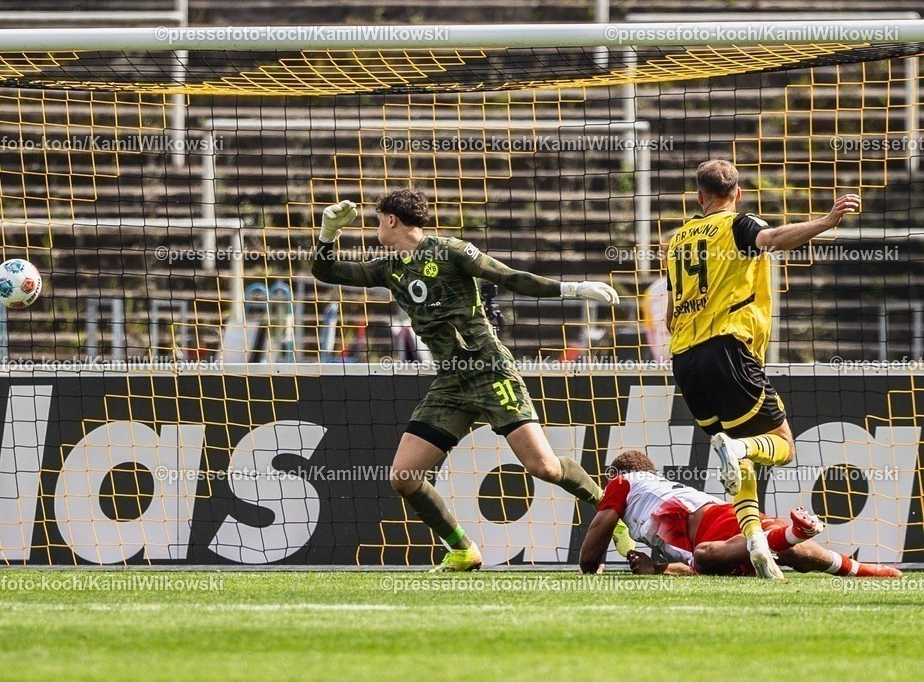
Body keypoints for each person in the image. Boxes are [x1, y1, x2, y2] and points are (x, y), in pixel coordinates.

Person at [311, 188, 633, 571]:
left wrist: (572, 289)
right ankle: (463, 549)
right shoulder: (388, 267)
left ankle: (616, 517)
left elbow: (509, 277)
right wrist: (328, 233)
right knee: (404, 477)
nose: (375, 226)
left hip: (489, 369)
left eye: (378, 218)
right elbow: (325, 271)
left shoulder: (449, 251)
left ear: (392, 219)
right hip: (450, 382)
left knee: (543, 467)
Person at [666, 159, 860, 578]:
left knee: (741, 461)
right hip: (730, 350)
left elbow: (669, 314)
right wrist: (827, 221)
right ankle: (737, 449)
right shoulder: (738, 224)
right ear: (736, 194)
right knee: (782, 446)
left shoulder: (677, 239)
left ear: (699, 196)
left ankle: (755, 543)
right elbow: (772, 239)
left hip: (684, 360)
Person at [579, 450, 901, 578]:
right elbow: (693, 570)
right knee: (792, 555)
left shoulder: (623, 481)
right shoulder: (652, 498)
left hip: (713, 522)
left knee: (705, 555)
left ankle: (782, 537)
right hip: (731, 523)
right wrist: (656, 567)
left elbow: (600, 525)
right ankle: (860, 569)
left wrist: (589, 566)